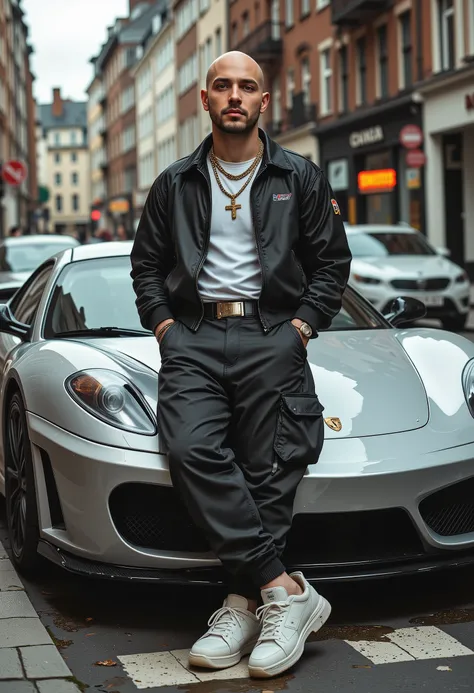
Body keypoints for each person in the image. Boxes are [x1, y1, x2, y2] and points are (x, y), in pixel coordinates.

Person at [130, 51, 351, 679]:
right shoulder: (174, 182)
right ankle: (284, 590)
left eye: (247, 86)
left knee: (271, 466)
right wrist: (166, 327)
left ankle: (240, 603)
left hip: (274, 332)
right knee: (191, 447)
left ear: (263, 101)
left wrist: (302, 327)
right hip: (194, 336)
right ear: (205, 100)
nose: (234, 95)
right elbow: (146, 264)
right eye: (222, 85)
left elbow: (331, 262)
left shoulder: (298, 176)